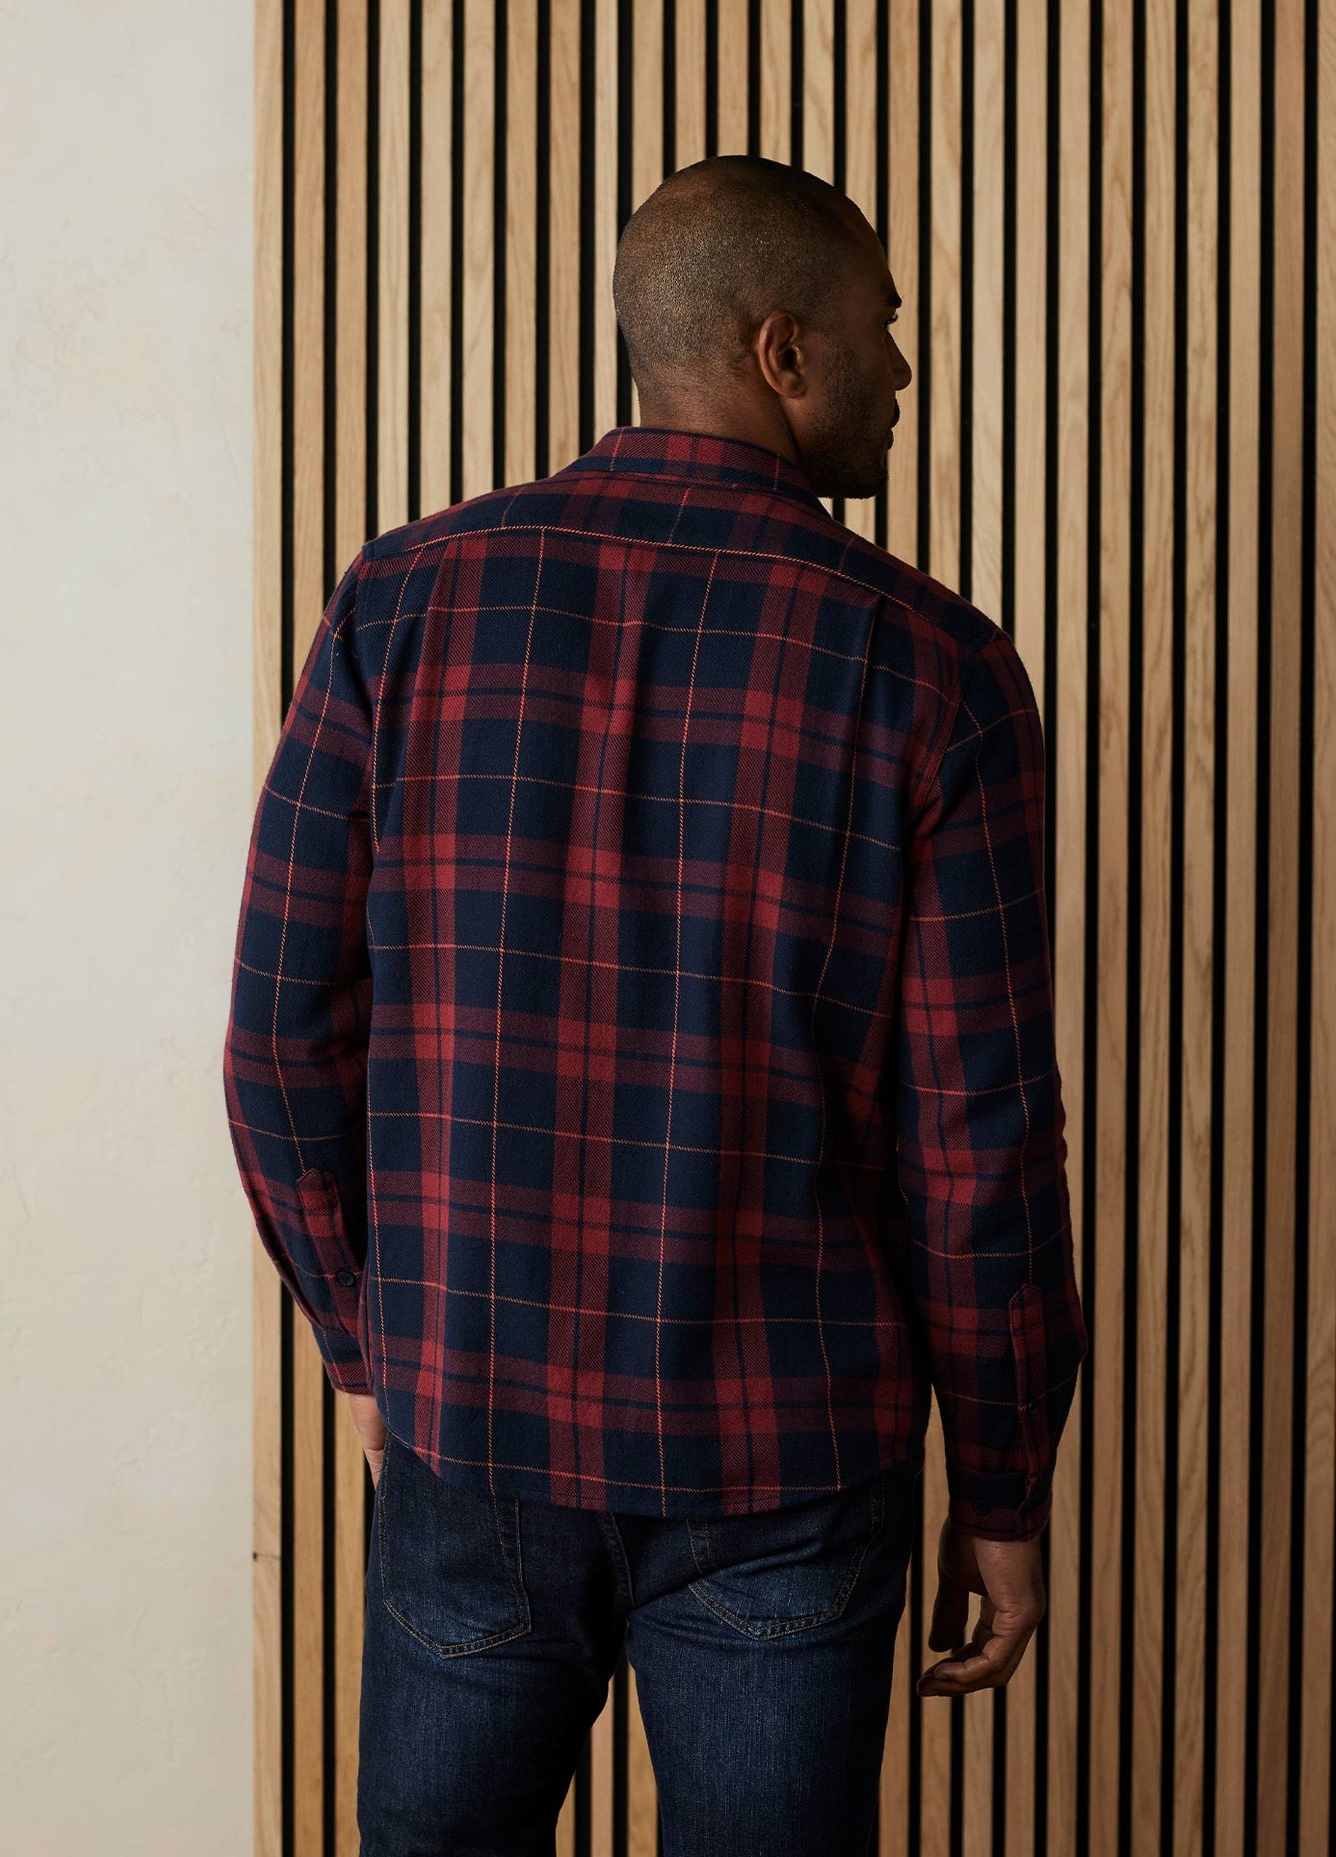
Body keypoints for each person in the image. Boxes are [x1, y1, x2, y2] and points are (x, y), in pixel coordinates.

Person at [223, 153, 1089, 1857]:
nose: (903, 368)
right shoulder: (935, 669)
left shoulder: (406, 600)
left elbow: (278, 1036)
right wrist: (1003, 1484)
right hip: (789, 1464)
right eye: (881, 327)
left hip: (472, 1425)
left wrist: (361, 1338)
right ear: (783, 351)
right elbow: (977, 1143)